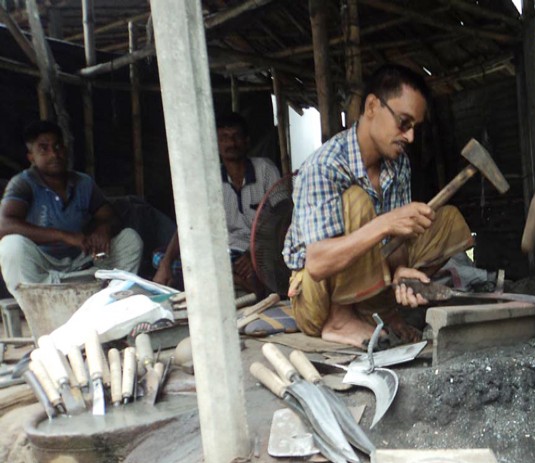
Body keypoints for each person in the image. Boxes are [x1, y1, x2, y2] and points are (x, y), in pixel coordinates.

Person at [283, 64, 473, 348]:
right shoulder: (325, 166)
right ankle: (340, 319)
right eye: (403, 123)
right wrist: (384, 222)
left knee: (446, 220)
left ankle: (384, 309)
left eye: (414, 128)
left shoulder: (399, 165)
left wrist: (398, 274)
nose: (409, 137)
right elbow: (318, 263)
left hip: (368, 275)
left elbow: (396, 241)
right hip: (315, 296)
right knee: (357, 200)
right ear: (372, 106)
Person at [0, 121, 142, 304]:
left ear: (66, 150)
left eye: (58, 146)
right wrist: (62, 235)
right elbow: (4, 226)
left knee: (129, 239)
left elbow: (110, 216)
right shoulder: (23, 183)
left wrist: (103, 228)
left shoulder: (83, 182)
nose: (54, 154)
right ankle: (38, 304)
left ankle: (113, 299)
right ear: (31, 157)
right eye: (44, 149)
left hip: (81, 262)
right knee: (10, 245)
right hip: (43, 267)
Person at [153, 112, 282, 294]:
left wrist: (253, 253)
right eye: (224, 138)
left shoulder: (265, 169)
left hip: (263, 250)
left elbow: (283, 219)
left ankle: (227, 280)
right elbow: (188, 226)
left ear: (247, 141)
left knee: (262, 269)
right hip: (225, 254)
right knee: (160, 257)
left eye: (236, 137)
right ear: (216, 145)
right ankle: (234, 279)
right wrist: (165, 264)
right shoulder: (210, 179)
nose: (231, 143)